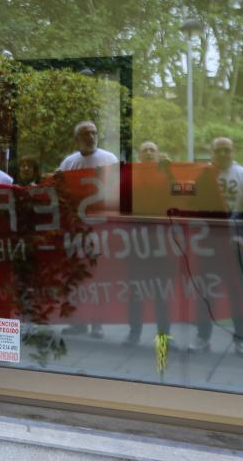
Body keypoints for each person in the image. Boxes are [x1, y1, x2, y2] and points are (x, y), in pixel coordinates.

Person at [189, 137, 243, 358]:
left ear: (233, 151)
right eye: (218, 150)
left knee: (239, 294)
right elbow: (192, 207)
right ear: (211, 152)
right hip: (209, 246)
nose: (222, 154)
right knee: (205, 292)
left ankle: (242, 340)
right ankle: (203, 337)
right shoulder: (202, 177)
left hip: (236, 246)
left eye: (226, 150)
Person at [59, 121, 118, 339]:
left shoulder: (109, 160)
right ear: (77, 139)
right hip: (75, 229)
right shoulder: (69, 163)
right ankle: (78, 322)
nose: (91, 136)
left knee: (97, 276)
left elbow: (117, 193)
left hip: (100, 229)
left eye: (94, 132)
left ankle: (97, 324)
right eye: (86, 134)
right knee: (75, 276)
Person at [123, 141, 173, 347]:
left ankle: (163, 337)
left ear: (159, 153)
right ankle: (134, 332)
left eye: (153, 149)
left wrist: (169, 173)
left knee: (162, 292)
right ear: (139, 156)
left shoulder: (166, 174)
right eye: (145, 150)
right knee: (136, 290)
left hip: (161, 243)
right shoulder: (131, 175)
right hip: (136, 243)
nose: (150, 152)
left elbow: (180, 194)